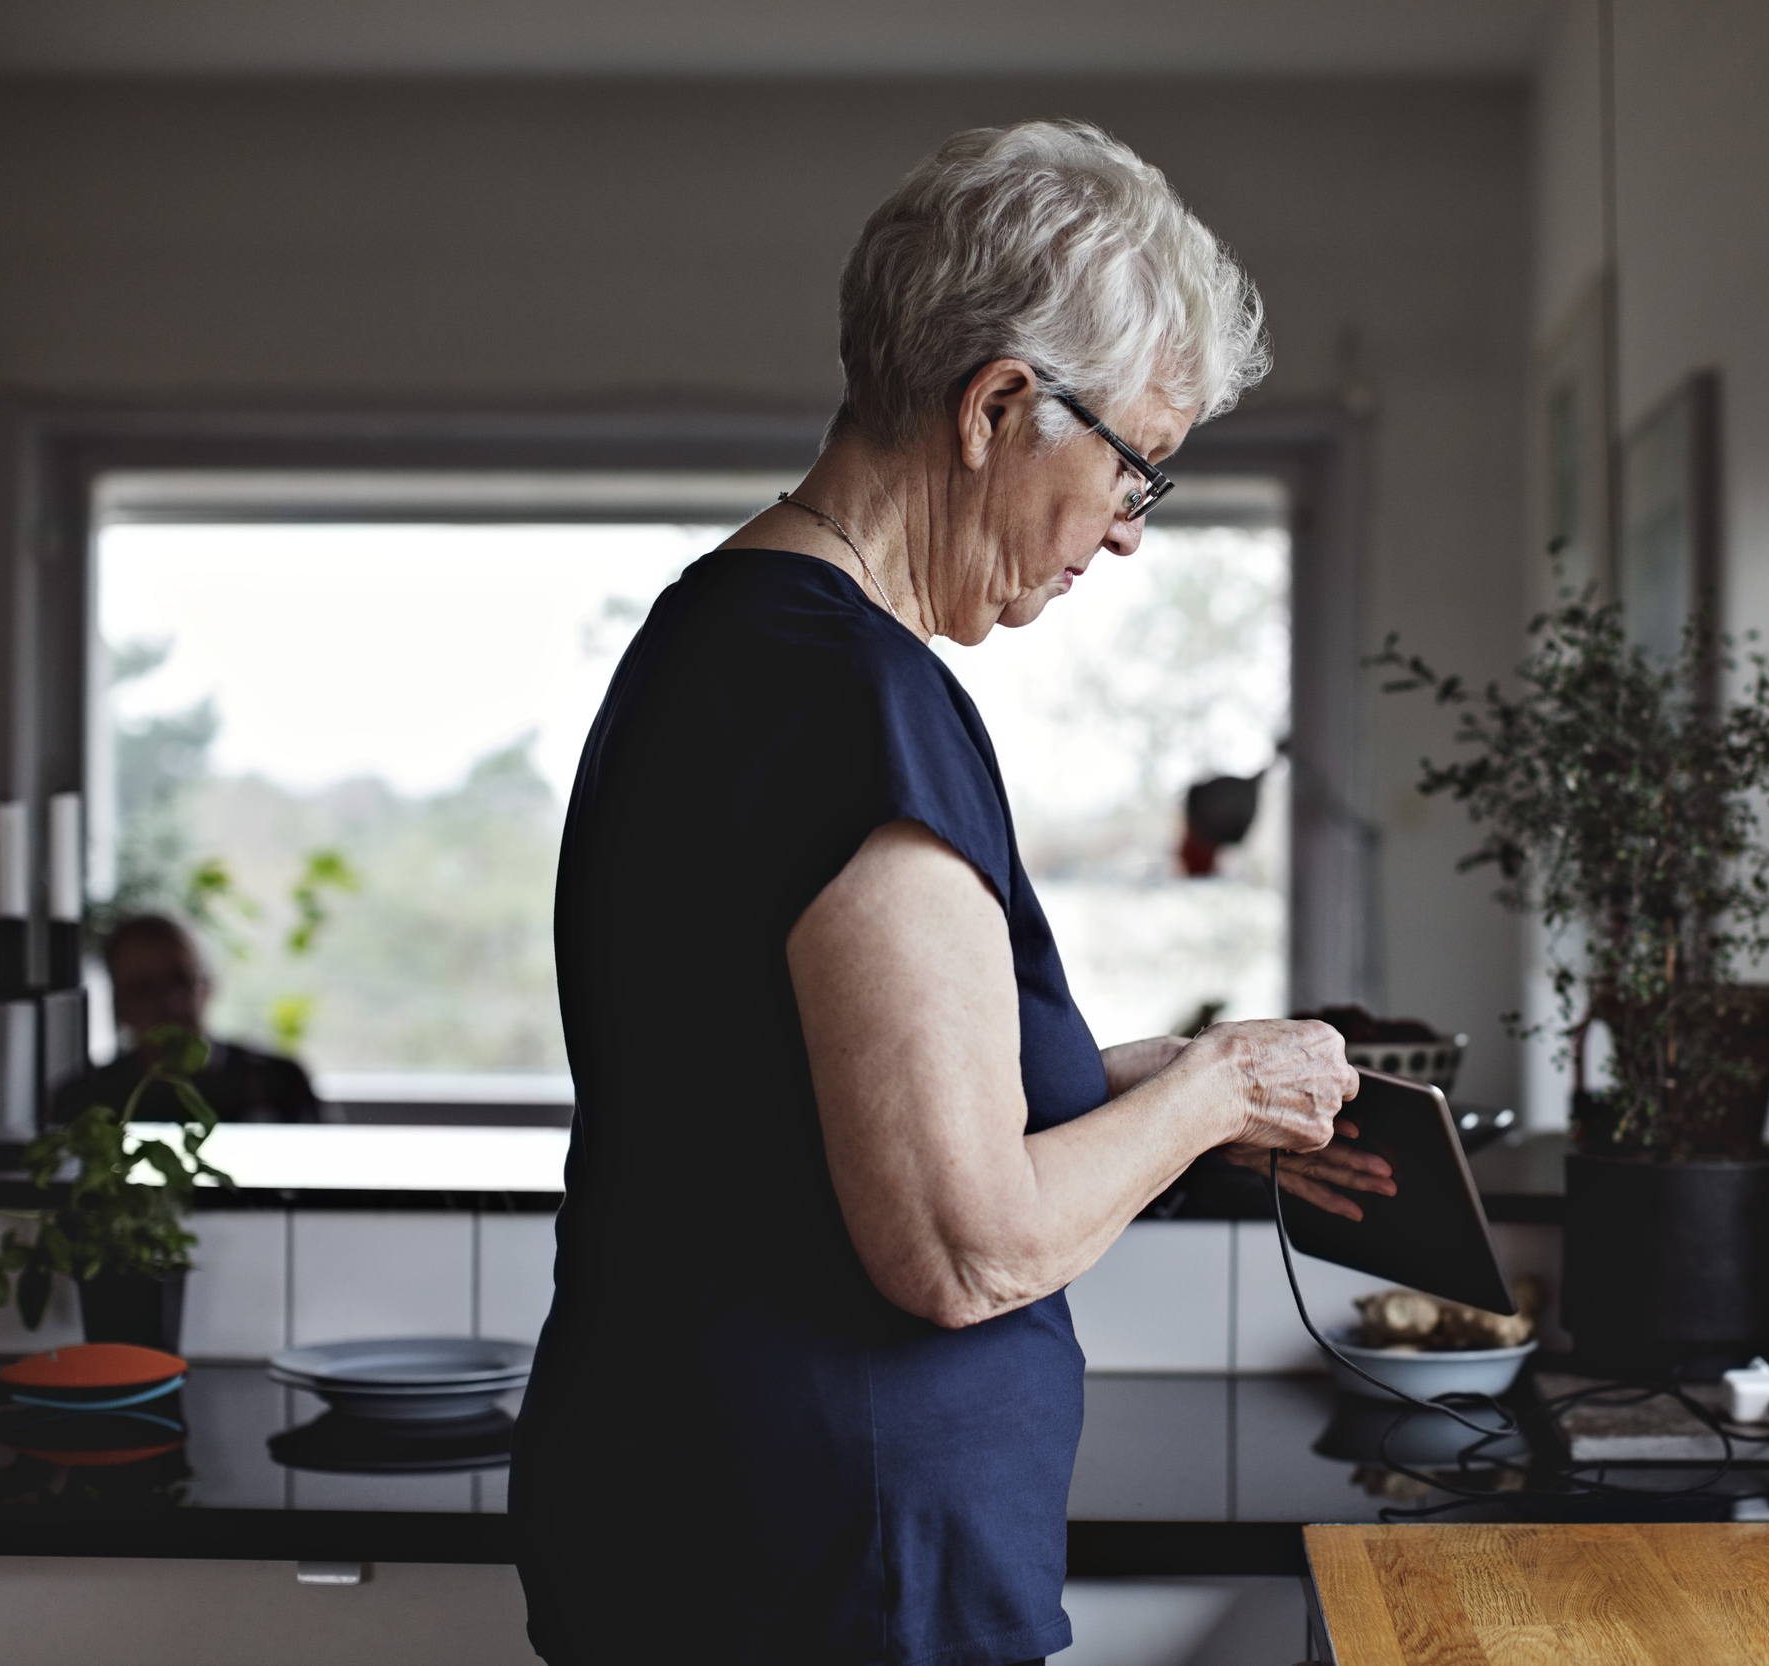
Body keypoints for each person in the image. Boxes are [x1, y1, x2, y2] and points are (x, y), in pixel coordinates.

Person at [511, 121, 1392, 1665]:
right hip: (825, 1578)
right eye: (1137, 470)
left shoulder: (719, 641)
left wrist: (1197, 1093)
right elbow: (963, 1241)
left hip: (718, 1537)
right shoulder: (847, 693)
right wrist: (1211, 1090)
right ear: (997, 405)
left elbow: (819, 1106)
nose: (1128, 531)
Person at [50, 913, 322, 1125]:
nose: (171, 1003)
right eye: (145, 989)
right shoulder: (85, 1102)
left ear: (207, 985)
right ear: (119, 1005)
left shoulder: (280, 1081)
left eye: (181, 980)